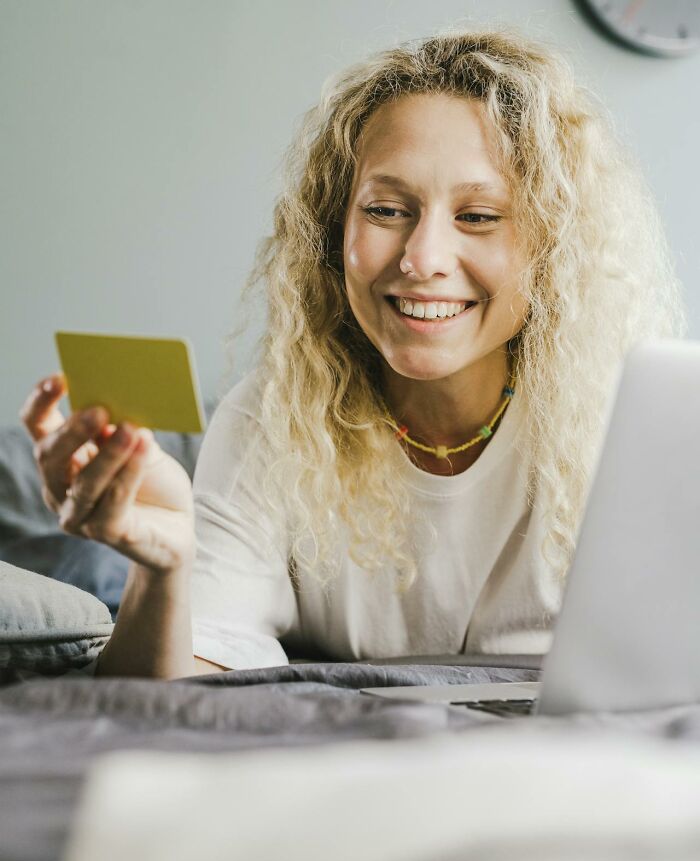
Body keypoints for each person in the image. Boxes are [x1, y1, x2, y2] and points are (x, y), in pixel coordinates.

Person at [21, 27, 684, 677]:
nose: (422, 260)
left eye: (478, 216)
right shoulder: (273, 421)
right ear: (335, 229)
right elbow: (172, 691)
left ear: (553, 247)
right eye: (388, 210)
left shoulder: (634, 423)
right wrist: (163, 567)